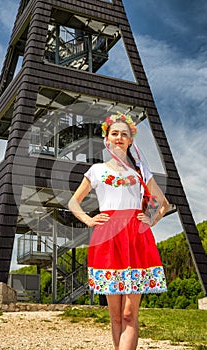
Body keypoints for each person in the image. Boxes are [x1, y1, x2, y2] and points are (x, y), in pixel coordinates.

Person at [68, 112, 169, 350]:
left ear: (131, 140)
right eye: (115, 133)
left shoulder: (141, 171)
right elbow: (74, 201)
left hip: (136, 236)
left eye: (125, 134)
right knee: (114, 316)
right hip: (107, 237)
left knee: (128, 314)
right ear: (107, 138)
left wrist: (151, 219)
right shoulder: (96, 170)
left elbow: (162, 202)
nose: (120, 137)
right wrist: (87, 219)